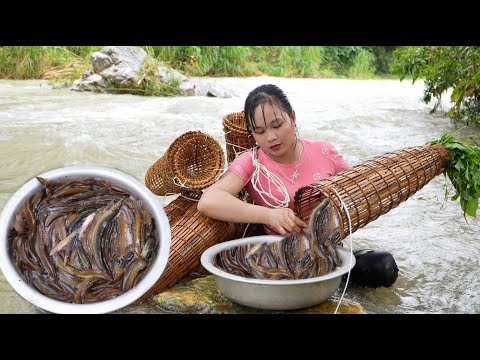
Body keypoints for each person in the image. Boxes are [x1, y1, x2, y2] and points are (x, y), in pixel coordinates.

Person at [197, 84, 398, 288]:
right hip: (282, 262)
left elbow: (360, 190)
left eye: (277, 125)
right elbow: (209, 201)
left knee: (383, 266)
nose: (270, 137)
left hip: (329, 255)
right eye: (259, 131)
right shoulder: (252, 162)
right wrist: (269, 215)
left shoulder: (324, 152)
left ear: (292, 118)